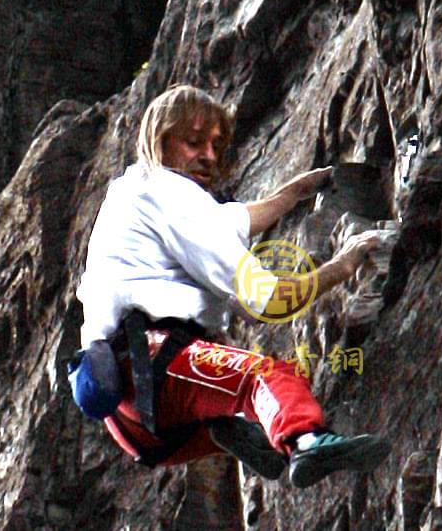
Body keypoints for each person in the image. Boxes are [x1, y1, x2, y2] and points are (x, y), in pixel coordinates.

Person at [76, 84, 390, 487]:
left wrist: (292, 194)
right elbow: (267, 301)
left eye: (216, 146)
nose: (208, 156)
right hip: (158, 365)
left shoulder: (132, 195)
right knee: (270, 378)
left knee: (239, 402)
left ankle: (228, 431)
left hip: (134, 421)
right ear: (159, 140)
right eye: (193, 142)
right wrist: (342, 265)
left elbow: (229, 221)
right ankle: (305, 441)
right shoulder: (170, 193)